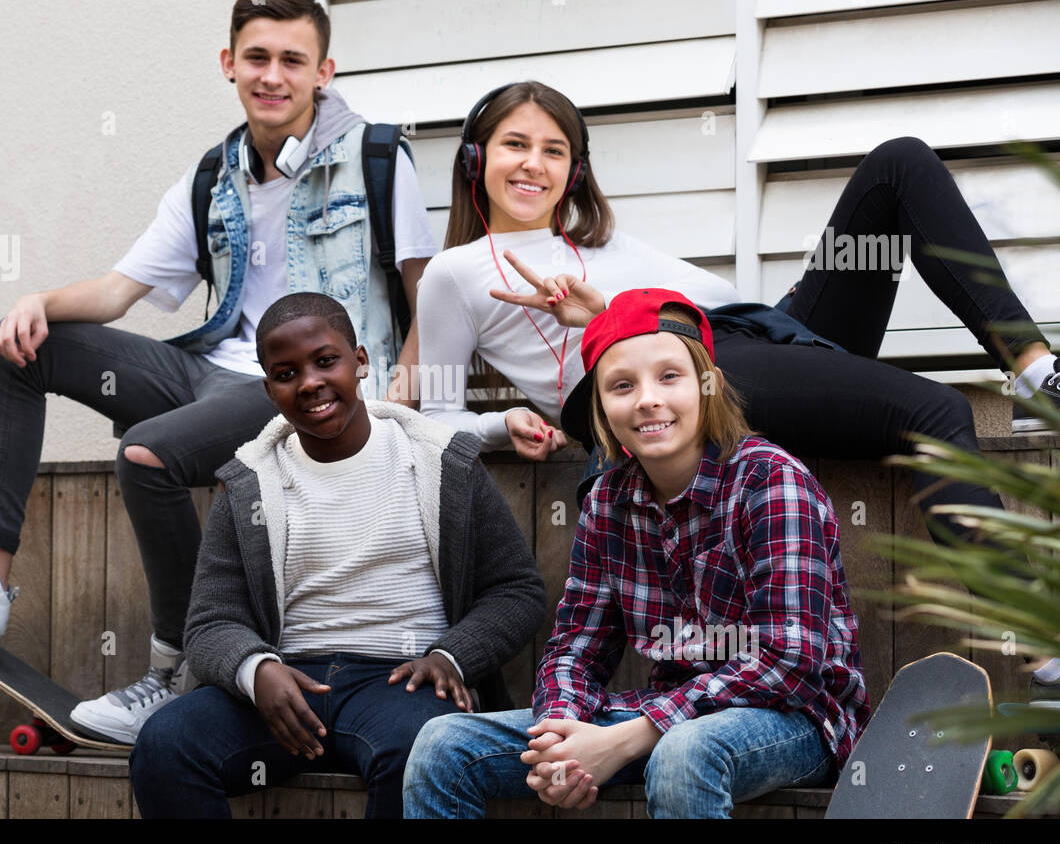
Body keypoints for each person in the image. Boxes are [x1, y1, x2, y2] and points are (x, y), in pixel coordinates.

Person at [0, 0, 438, 743]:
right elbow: (115, 290)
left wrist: (408, 391)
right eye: (256, 57)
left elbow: (428, 291)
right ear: (228, 63)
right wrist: (35, 299)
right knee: (23, 345)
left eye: (293, 60)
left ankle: (179, 669)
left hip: (302, 389)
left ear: (323, 72)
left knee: (149, 456)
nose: (273, 75)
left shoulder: (375, 158)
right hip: (213, 368)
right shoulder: (212, 177)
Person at [414, 80, 1060, 540]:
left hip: (764, 336)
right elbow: (436, 421)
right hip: (694, 368)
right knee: (938, 409)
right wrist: (506, 424)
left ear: (574, 172)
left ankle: (1034, 369)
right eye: (514, 145)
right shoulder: (456, 272)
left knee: (899, 163)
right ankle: (1045, 659)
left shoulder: (602, 242)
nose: (534, 164)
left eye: (553, 151)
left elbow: (734, 309)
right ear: (476, 158)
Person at [403, 288, 871, 818]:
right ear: (602, 406)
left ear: (707, 384)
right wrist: (562, 738)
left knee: (685, 751)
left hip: (795, 717)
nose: (647, 399)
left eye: (668, 376)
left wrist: (625, 741)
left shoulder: (770, 481)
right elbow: (575, 647)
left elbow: (791, 660)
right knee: (444, 746)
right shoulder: (609, 500)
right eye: (622, 385)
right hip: (662, 715)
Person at [128, 293, 546, 818]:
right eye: (286, 373)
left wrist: (451, 656)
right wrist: (255, 670)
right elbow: (211, 621)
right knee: (166, 745)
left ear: (361, 361)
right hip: (287, 685)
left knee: (423, 749)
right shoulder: (248, 483)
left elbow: (517, 589)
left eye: (326, 361)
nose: (309, 382)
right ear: (268, 389)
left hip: (401, 682)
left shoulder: (442, 462)